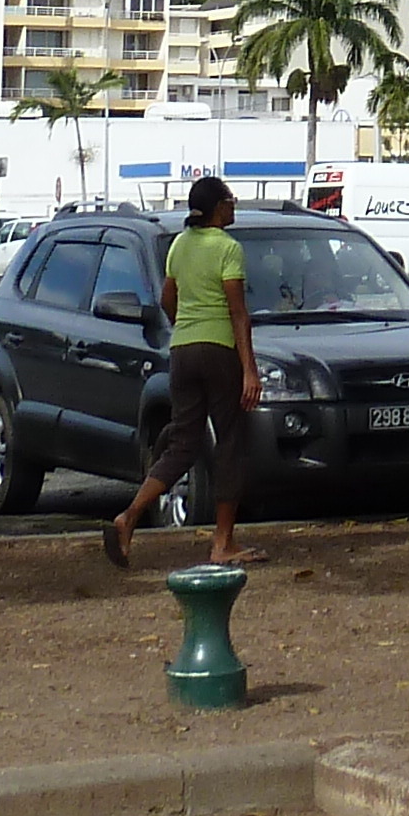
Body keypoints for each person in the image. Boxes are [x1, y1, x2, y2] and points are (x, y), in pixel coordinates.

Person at [105, 175, 264, 570]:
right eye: (230, 200)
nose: (234, 206)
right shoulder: (228, 248)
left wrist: (185, 327)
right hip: (219, 351)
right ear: (217, 208)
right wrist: (250, 370)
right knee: (229, 442)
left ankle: (130, 516)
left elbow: (167, 298)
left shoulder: (179, 244)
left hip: (183, 350)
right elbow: (237, 313)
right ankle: (222, 543)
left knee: (182, 443)